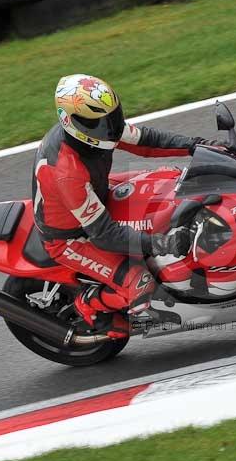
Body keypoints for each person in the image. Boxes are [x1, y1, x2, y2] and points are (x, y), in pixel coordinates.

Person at [32, 74, 224, 339]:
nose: (109, 127)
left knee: (168, 178)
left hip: (96, 193)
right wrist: (161, 243)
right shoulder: (68, 170)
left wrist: (197, 146)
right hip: (72, 237)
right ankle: (88, 303)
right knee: (139, 281)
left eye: (111, 116)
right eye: (98, 122)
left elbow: (147, 140)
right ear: (70, 121)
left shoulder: (97, 131)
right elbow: (105, 235)